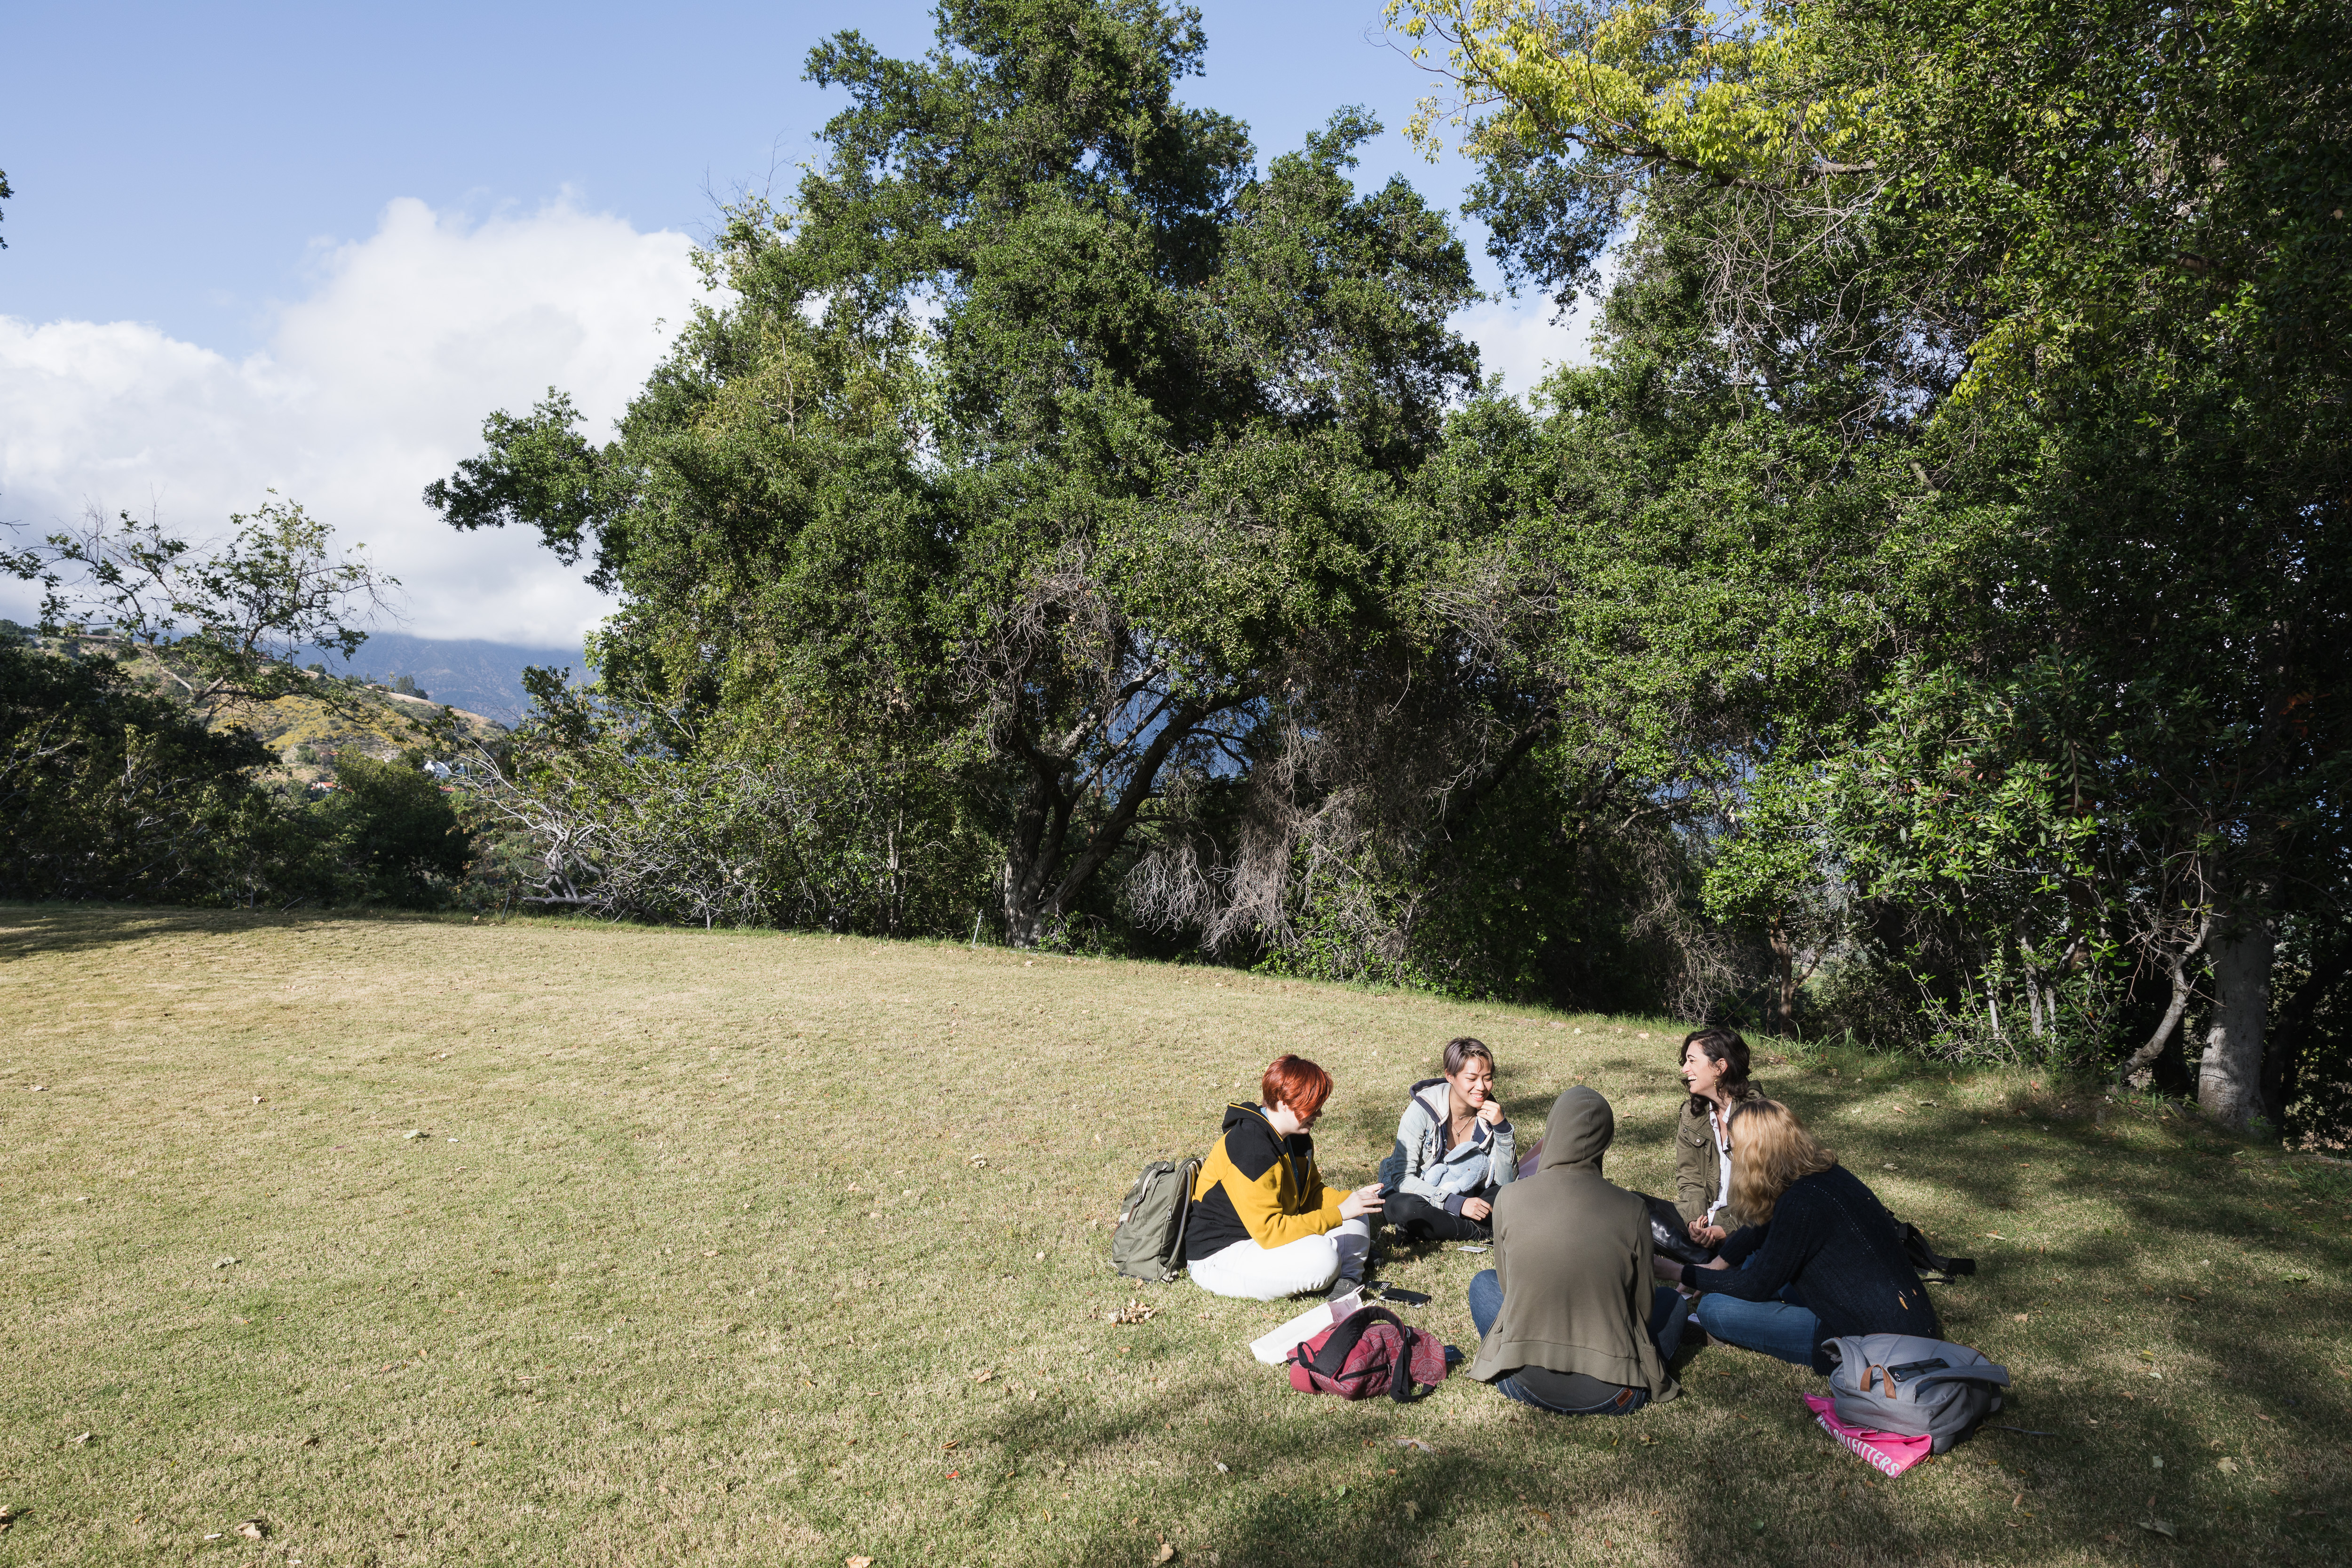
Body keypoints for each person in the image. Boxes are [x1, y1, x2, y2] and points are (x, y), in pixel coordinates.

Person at [1655, 1098, 1940, 1372]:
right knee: (1753, 1260)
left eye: (1734, 1149)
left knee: (1715, 1309)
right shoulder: (1826, 1176)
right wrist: (1720, 1263)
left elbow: (1756, 1285)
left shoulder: (1800, 1205)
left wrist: (1679, 1271)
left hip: (1867, 1341)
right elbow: (1764, 1226)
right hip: (1911, 1321)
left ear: (1754, 1155)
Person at [1464, 1086, 1688, 1416]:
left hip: (1518, 1378)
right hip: (1616, 1391)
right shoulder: (1633, 1208)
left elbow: (1508, 1288)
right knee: (1674, 1303)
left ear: (1552, 1129)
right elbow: (1643, 1308)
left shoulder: (1509, 1197)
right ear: (1605, 1140)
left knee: (1484, 1284)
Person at [1185, 1054, 1384, 1301]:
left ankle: (1347, 1281)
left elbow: (1310, 1194)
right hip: (1221, 1255)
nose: (1319, 1114)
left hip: (1264, 1241)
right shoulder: (1250, 1149)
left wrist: (1353, 1201)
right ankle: (1342, 1269)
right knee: (1324, 1259)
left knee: (1358, 1214)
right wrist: (1340, 1213)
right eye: (1312, 1106)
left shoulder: (1295, 1135)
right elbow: (1271, 1232)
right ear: (1282, 1102)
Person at [1383, 1037, 1517, 1242]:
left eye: (1487, 1078)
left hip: (1467, 1194)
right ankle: (1476, 1231)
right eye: (1472, 1079)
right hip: (1419, 1194)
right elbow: (1402, 1180)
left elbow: (1505, 1183)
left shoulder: (1492, 1115)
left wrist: (1503, 1130)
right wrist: (1456, 1204)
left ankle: (1437, 1227)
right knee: (1405, 1208)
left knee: (1507, 1199)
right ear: (1450, 1076)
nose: (1481, 1087)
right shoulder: (1422, 1110)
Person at [1673, 1026, 1765, 1248]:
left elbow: (1765, 1192)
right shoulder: (1692, 1114)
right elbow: (1690, 1177)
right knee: (1636, 1207)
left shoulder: (1757, 1115)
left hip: (1747, 1225)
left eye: (1692, 1061)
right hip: (1707, 1220)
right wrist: (1695, 1221)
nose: (1685, 1069)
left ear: (1720, 1067)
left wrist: (1726, 1229)